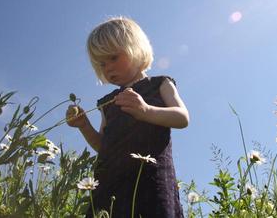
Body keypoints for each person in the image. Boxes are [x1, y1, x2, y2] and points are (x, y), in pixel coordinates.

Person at [66, 16, 189, 218]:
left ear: (136, 49)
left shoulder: (160, 84)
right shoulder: (108, 102)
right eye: (102, 64)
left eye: (114, 58)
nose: (108, 68)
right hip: (110, 181)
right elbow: (103, 146)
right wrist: (84, 126)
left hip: (151, 178)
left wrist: (146, 110)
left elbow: (182, 118)